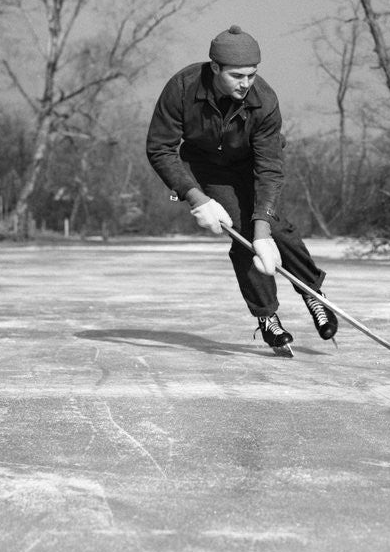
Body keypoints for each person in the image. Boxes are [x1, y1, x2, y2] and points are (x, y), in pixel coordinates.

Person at [145, 24, 338, 351]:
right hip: (207, 167)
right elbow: (160, 148)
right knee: (243, 234)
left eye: (251, 74)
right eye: (237, 76)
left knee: (273, 227)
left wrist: (264, 230)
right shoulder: (181, 88)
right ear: (215, 68)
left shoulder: (263, 100)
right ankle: (267, 316)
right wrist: (195, 196)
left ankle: (312, 293)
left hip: (251, 162)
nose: (246, 83)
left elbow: (269, 169)